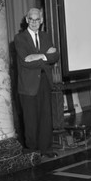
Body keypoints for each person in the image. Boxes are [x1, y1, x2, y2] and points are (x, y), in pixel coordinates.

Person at [14, 8, 60, 158]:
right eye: (31, 19)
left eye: (37, 19)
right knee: (30, 119)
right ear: (27, 20)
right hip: (28, 85)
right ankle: (32, 150)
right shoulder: (20, 38)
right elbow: (25, 61)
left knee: (46, 117)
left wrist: (38, 56)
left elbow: (56, 56)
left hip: (44, 82)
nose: (34, 22)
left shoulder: (46, 36)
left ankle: (46, 149)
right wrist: (46, 56)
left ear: (41, 21)